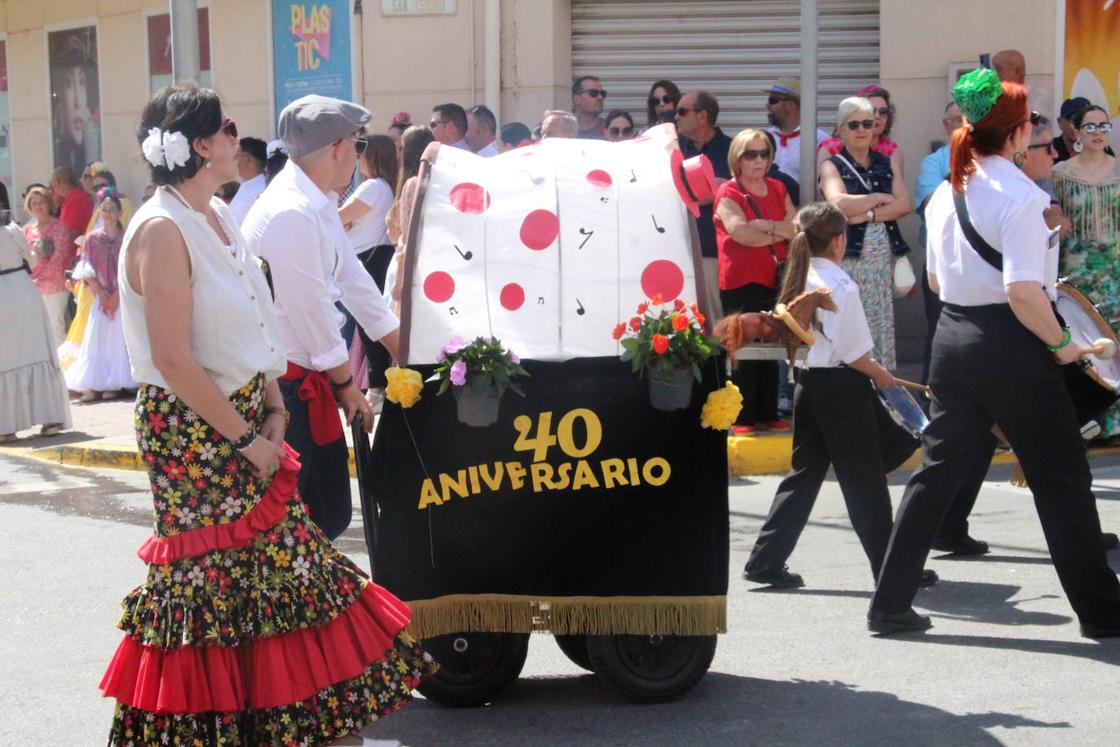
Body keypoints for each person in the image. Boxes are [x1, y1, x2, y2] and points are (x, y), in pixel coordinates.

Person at [101, 83, 435, 745]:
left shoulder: (218, 215)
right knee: (218, 588)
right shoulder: (161, 229)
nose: (238, 138)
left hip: (252, 415)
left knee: (284, 581)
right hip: (198, 435)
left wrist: (276, 399)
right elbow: (172, 359)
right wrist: (247, 435)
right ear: (200, 145)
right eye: (225, 128)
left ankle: (309, 724)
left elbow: (260, 315)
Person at [867, 69, 1120, 638]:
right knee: (1061, 477)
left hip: (953, 339)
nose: (1035, 130)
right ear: (1014, 134)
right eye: (1031, 122)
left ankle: (888, 604)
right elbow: (1023, 291)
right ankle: (1103, 612)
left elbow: (936, 280)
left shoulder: (948, 191)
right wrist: (1063, 346)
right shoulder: (1022, 195)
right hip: (1012, 342)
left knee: (936, 474)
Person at [742, 202, 936, 589]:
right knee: (865, 484)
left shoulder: (800, 276)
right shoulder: (840, 286)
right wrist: (883, 375)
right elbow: (854, 353)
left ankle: (766, 559)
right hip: (841, 389)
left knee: (805, 476)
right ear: (838, 240)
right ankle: (893, 569)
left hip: (811, 385)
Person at [243, 94, 402, 542]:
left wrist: (400, 344)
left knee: (325, 515)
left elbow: (352, 279)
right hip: (287, 390)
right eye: (359, 143)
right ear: (337, 147)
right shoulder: (290, 211)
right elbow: (309, 309)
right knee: (299, 521)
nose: (358, 154)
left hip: (308, 379)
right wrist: (346, 382)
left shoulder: (318, 201)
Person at [713, 128, 796, 435]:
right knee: (742, 347)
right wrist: (778, 231)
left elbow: (797, 226)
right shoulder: (728, 193)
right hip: (740, 280)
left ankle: (767, 411)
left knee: (772, 342)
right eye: (751, 154)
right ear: (738, 158)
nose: (759, 160)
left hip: (775, 279)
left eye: (764, 154)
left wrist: (767, 226)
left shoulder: (777, 187)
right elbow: (741, 234)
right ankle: (743, 416)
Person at [820, 96, 912, 370]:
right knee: (851, 320)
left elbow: (905, 204)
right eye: (854, 124)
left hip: (881, 261)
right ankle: (853, 378)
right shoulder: (832, 164)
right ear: (840, 129)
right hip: (848, 256)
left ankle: (880, 383)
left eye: (867, 124)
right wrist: (878, 197)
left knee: (879, 321)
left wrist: (865, 214)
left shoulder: (886, 161)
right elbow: (838, 204)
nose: (861, 130)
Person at [1052, 104, 1120, 437]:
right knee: (1083, 346)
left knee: (1116, 343)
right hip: (1076, 272)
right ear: (1075, 132)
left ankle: (1115, 422)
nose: (1097, 133)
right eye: (1089, 127)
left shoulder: (1119, 170)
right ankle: (1085, 419)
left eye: (1102, 126)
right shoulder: (1061, 173)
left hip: (1114, 270)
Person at [0, 206, 71, 442]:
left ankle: (6, 426)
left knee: (6, 358)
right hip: (22, 288)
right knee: (37, 351)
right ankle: (50, 417)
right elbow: (30, 258)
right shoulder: (13, 230)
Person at [341, 133, 400, 392]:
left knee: (370, 327)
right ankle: (378, 384)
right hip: (377, 255)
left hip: (368, 257)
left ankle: (377, 386)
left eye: (362, 152)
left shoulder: (372, 187)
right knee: (373, 325)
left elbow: (335, 217)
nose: (357, 158)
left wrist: (345, 220)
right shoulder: (385, 187)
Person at [64, 188, 135, 401]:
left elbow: (130, 268)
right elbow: (86, 268)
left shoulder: (126, 237)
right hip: (100, 297)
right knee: (97, 337)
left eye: (112, 209)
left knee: (119, 338)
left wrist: (117, 295)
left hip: (120, 296)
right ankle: (96, 383)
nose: (108, 213)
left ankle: (117, 382)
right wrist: (100, 293)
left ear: (120, 212)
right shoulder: (93, 239)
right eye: (104, 210)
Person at [677, 89, 732, 321]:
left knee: (716, 322)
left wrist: (721, 187)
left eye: (682, 111)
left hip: (713, 249)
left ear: (702, 116)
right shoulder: (674, 150)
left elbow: (741, 188)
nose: (676, 117)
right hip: (679, 250)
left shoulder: (731, 149)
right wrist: (711, 187)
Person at [388, 125, 436, 306]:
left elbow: (408, 240)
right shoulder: (437, 181)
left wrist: (400, 283)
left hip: (411, 274)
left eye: (401, 148)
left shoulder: (413, 184)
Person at [23, 185, 75, 345]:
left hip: (54, 285)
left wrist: (39, 278)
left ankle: (61, 367)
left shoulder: (59, 228)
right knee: (35, 329)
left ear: (48, 204)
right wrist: (29, 280)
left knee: (55, 327)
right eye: (34, 203)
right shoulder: (25, 229)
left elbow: (58, 258)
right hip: (32, 286)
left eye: (41, 202)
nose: (38, 206)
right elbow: (22, 258)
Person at [819, 85, 905, 183]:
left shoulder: (892, 152)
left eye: (883, 111)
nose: (877, 116)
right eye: (872, 110)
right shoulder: (830, 148)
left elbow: (899, 195)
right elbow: (821, 194)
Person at [763, 77, 828, 183]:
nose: (768, 105)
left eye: (773, 101)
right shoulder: (764, 138)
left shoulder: (819, 139)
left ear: (790, 105)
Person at [1052, 97, 1114, 163]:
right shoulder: (1050, 150)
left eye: (1084, 120)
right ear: (1060, 122)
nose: (1078, 125)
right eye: (1073, 119)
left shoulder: (1103, 150)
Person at [228, 135, 268, 224]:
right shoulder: (248, 185)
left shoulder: (260, 191)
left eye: (237, 155)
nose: (234, 158)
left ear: (246, 160)